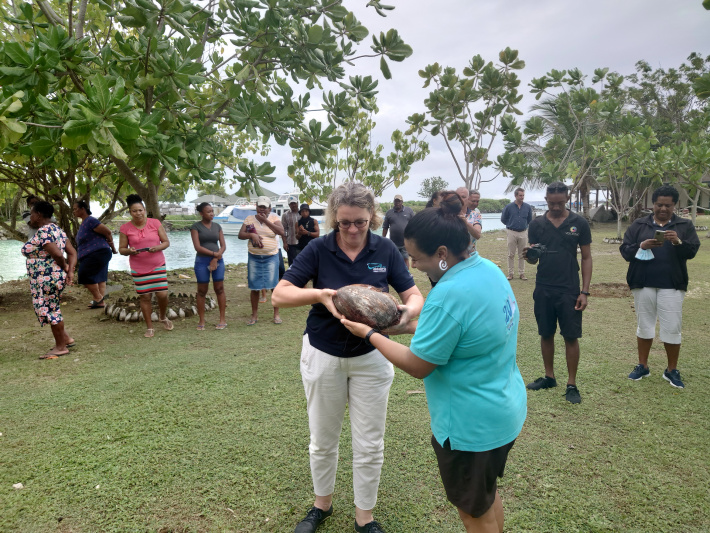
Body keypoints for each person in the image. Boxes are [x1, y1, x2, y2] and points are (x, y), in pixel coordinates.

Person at [340, 191, 527, 533]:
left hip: (471, 427)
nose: (412, 265)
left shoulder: (448, 295)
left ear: (442, 254)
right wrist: (390, 325)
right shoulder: (488, 271)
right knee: (484, 496)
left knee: (474, 513)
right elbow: (453, 332)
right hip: (505, 410)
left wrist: (368, 334)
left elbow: (418, 365)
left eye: (417, 258)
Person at [272, 182, 424, 533]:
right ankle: (321, 506)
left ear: (372, 216)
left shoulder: (384, 248)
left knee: (370, 441)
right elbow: (280, 295)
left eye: (360, 222)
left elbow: (414, 295)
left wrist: (405, 311)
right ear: (333, 219)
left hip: (372, 355)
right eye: (345, 223)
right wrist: (321, 295)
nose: (353, 230)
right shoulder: (319, 248)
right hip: (323, 353)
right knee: (322, 439)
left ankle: (364, 517)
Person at [620, 185, 700, 389]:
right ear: (652, 205)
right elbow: (625, 251)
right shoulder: (639, 224)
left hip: (672, 285)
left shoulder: (684, 225)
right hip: (643, 283)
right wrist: (642, 246)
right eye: (659, 204)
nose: (663, 209)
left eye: (668, 205)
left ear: (675, 206)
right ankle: (642, 366)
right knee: (644, 325)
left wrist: (678, 242)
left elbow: (691, 252)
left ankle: (671, 370)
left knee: (672, 327)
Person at [523, 182, 592, 404]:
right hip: (544, 286)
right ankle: (549, 376)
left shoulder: (579, 223)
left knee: (571, 336)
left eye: (560, 203)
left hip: (569, 288)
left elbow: (587, 257)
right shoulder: (536, 224)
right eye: (551, 203)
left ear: (568, 198)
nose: (555, 207)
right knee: (546, 333)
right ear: (546, 199)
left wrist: (585, 291)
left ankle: (572, 384)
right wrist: (529, 255)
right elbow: (534, 259)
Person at [21, 201, 77, 359]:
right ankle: (65, 339)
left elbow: (58, 254)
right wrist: (69, 271)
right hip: (49, 277)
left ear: (38, 215)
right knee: (51, 308)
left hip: (47, 278)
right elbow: (72, 252)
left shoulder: (44, 231)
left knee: (51, 310)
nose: (30, 217)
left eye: (31, 213)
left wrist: (65, 265)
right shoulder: (57, 230)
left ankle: (61, 347)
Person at [118, 194, 173, 338]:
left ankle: (162, 316)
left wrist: (157, 247)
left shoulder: (155, 223)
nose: (138, 213)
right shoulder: (125, 228)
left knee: (162, 294)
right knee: (145, 297)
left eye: (140, 210)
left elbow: (166, 242)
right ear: (130, 212)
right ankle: (149, 327)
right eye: (134, 211)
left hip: (157, 264)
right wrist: (129, 251)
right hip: (138, 267)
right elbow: (121, 249)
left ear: (144, 209)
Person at [238, 195, 284, 325]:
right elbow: (240, 235)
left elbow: (281, 231)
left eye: (264, 207)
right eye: (260, 206)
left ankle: (276, 314)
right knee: (254, 287)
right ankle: (254, 315)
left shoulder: (274, 218)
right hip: (254, 257)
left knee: (274, 286)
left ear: (269, 209)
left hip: (271, 256)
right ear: (256, 207)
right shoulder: (249, 219)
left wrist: (267, 221)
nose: (262, 209)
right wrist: (251, 234)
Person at [72, 200, 117, 308]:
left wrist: (113, 247)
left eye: (75, 209)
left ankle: (98, 298)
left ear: (83, 209)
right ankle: (100, 302)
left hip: (98, 252)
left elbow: (107, 232)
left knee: (83, 274)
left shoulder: (90, 220)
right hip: (97, 253)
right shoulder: (84, 223)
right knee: (100, 277)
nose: (73, 212)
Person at [190, 202, 227, 330]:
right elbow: (197, 247)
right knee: (202, 291)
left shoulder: (217, 226)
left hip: (218, 261)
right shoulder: (196, 227)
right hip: (202, 261)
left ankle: (222, 319)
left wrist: (216, 258)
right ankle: (201, 320)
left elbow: (223, 246)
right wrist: (214, 254)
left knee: (219, 288)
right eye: (208, 211)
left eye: (212, 211)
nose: (212, 213)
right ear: (201, 213)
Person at [500, 187, 533, 281]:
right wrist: (510, 224)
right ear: (515, 196)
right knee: (511, 254)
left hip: (523, 232)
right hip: (511, 232)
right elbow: (503, 219)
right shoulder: (509, 207)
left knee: (522, 254)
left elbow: (529, 219)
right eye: (520, 195)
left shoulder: (527, 207)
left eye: (523, 195)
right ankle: (510, 274)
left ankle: (521, 273)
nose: (522, 197)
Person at [382, 194, 414, 268]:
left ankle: (406, 276)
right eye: (396, 201)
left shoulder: (409, 211)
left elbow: (414, 224)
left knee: (405, 258)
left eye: (399, 201)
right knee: (393, 259)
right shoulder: (389, 212)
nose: (397, 203)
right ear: (394, 202)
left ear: (402, 202)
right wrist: (383, 239)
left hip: (405, 242)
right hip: (393, 242)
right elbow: (385, 227)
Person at [456, 187, 482, 253]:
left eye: (463, 197)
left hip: (470, 255)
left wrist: (466, 223)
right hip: (452, 257)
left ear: (468, 198)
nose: (460, 199)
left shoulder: (475, 214)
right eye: (458, 197)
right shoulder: (448, 214)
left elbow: (478, 235)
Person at [282, 196, 301, 267]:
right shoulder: (285, 215)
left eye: (294, 203)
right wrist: (284, 243)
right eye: (291, 204)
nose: (293, 205)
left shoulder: (302, 213)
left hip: (302, 243)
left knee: (303, 262)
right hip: (291, 243)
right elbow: (284, 229)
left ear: (297, 203)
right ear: (289, 205)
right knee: (292, 263)